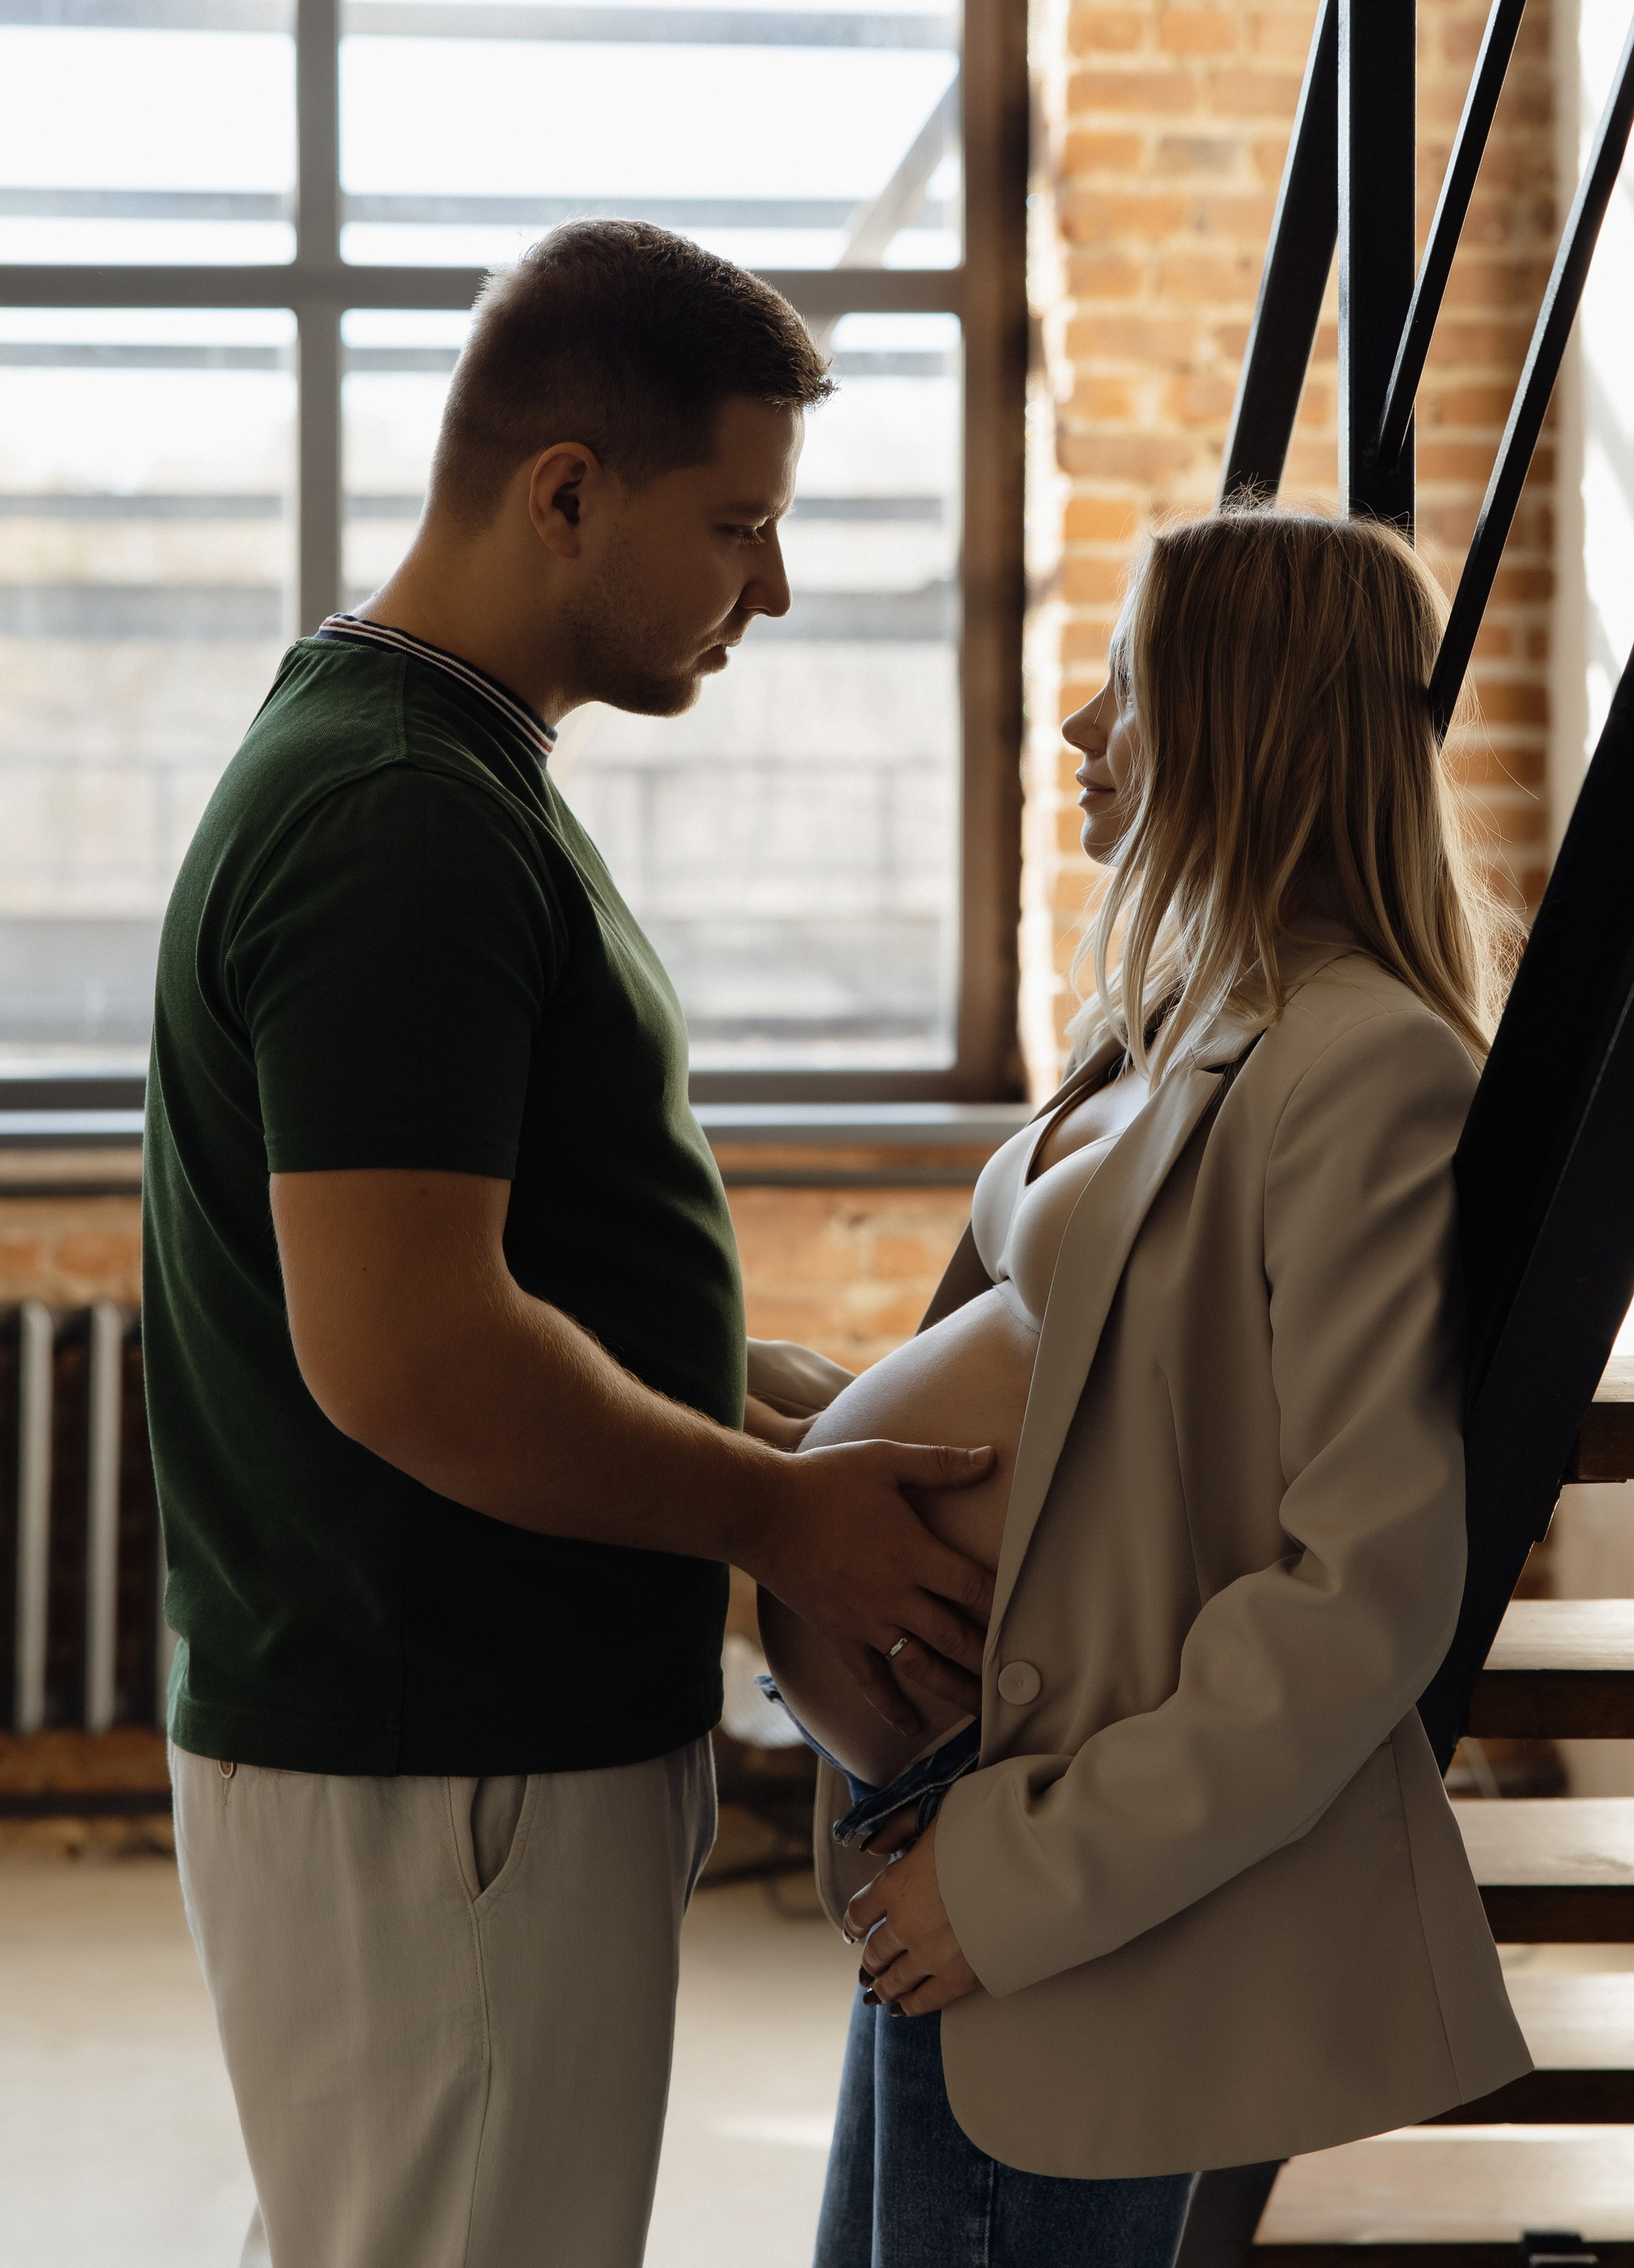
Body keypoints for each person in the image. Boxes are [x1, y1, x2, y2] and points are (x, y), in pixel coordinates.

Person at [142, 219, 998, 2268]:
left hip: (459, 1746)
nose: (769, 590)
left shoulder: (435, 765)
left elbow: (533, 1272)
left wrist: (786, 1403)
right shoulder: (397, 818)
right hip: (444, 1753)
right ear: (565, 493)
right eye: (739, 527)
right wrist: (781, 1523)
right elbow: (413, 1354)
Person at [755, 505, 1535, 2268]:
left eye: (1124, 686)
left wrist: (1017, 1877)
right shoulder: (1188, 1017)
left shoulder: (1363, 1067)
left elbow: (1360, 1592)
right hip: (945, 1800)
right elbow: (1085, 1394)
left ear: (1242, 721)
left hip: (1058, 1874)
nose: (1083, 732)